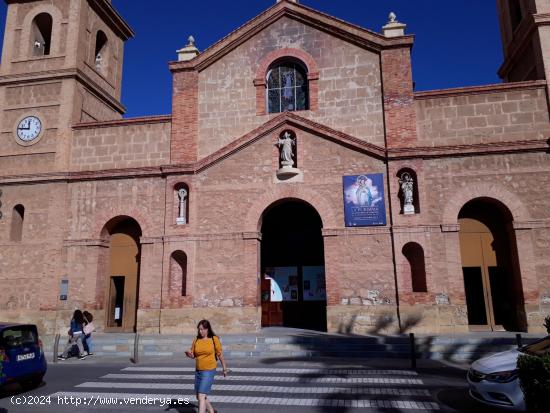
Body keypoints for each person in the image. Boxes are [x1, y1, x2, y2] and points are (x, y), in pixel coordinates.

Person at [185, 320, 228, 413]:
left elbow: (220, 354)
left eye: (203, 329)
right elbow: (194, 355)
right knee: (199, 396)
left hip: (209, 370)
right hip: (198, 370)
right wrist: (189, 355)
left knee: (201, 396)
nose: (201, 331)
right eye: (199, 329)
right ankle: (212, 411)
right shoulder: (196, 340)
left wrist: (224, 368)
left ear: (207, 329)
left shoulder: (214, 339)